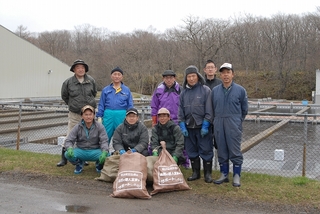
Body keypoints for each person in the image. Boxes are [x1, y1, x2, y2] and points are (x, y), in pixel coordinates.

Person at [211, 63, 248, 187]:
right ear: (220, 75)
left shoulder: (240, 90)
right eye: (223, 73)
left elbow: (244, 109)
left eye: (228, 72)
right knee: (221, 149)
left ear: (233, 74)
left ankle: (237, 175)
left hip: (233, 123)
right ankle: (224, 173)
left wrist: (237, 121)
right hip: (219, 123)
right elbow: (211, 109)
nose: (225, 75)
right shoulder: (215, 91)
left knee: (234, 150)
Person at [58, 59, 97, 167]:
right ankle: (64, 158)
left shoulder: (91, 81)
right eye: (78, 68)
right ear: (74, 70)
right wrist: (73, 105)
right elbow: (64, 96)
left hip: (89, 115)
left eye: (82, 68)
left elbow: (93, 93)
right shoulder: (68, 82)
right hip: (75, 114)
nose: (81, 70)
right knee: (70, 134)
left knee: (87, 136)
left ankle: (84, 158)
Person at [178, 65, 214, 183]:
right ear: (186, 78)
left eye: (193, 76)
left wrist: (206, 125)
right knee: (191, 151)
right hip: (189, 127)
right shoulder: (183, 93)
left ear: (197, 77)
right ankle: (195, 173)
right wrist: (182, 125)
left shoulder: (205, 90)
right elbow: (180, 111)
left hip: (202, 127)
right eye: (189, 76)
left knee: (206, 150)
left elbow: (209, 110)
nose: (191, 78)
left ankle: (207, 174)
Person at [64, 105, 109, 174]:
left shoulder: (100, 126)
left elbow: (104, 140)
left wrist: (104, 151)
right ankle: (79, 163)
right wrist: (69, 148)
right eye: (86, 114)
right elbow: (69, 140)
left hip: (95, 151)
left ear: (94, 115)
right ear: (82, 116)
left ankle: (99, 164)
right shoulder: (77, 127)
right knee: (67, 154)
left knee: (107, 155)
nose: (88, 117)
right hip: (81, 150)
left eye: (90, 114)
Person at [96, 66, 133, 141]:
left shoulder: (126, 90)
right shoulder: (105, 90)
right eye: (115, 74)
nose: (116, 76)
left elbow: (130, 104)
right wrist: (99, 116)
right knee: (105, 135)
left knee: (122, 135)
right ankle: (105, 151)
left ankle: (121, 151)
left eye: (119, 74)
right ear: (111, 76)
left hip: (121, 115)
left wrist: (130, 116)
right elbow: (101, 104)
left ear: (122, 77)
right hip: (108, 115)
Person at [203, 59, 222, 150]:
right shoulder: (200, 84)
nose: (210, 69)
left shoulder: (221, 83)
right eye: (208, 68)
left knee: (219, 144)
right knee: (205, 146)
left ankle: (219, 163)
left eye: (212, 67)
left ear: (215, 69)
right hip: (204, 119)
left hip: (218, 118)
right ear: (204, 70)